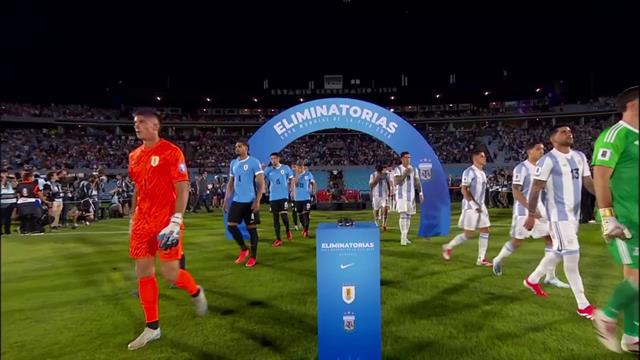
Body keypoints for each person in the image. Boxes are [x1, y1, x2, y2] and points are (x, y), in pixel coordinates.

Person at [126, 110, 207, 351]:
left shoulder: (172, 152)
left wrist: (176, 219)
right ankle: (153, 328)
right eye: (135, 123)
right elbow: (138, 189)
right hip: (142, 221)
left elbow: (183, 188)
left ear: (155, 126)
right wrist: (133, 216)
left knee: (171, 273)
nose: (137, 126)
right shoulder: (134, 156)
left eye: (141, 122)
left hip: (166, 222)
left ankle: (195, 291)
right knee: (143, 272)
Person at [523, 124, 596, 319]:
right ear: (553, 138)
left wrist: (607, 199)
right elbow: (536, 188)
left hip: (574, 216)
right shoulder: (548, 160)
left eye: (570, 131)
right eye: (563, 131)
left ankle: (532, 279)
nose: (569, 133)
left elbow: (588, 182)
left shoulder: (580, 156)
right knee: (572, 257)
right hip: (558, 217)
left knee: (557, 251)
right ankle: (583, 305)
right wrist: (531, 214)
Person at [591, 86, 639, 353]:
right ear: (633, 104)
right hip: (626, 221)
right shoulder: (615, 135)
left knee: (635, 279)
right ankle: (607, 315)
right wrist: (608, 216)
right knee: (637, 279)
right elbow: (600, 175)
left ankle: (632, 337)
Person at [491, 143, 570, 289]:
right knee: (517, 242)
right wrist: (531, 211)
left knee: (551, 239)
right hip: (524, 211)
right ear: (529, 151)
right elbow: (516, 191)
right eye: (538, 149)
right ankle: (498, 259)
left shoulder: (542, 169)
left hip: (540, 210)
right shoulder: (521, 168)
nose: (541, 152)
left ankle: (550, 277)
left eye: (543, 150)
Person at [442, 150, 492, 265]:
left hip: (481, 206)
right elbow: (464, 189)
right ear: (475, 158)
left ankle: (481, 259)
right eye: (482, 156)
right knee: (469, 234)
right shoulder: (469, 172)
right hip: (471, 207)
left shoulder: (483, 173)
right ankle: (448, 246)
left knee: (485, 230)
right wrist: (474, 205)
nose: (485, 158)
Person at [223, 139, 265, 267]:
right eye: (236, 146)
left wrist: (257, 201)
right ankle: (244, 249)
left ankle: (253, 257)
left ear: (246, 148)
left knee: (252, 229)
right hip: (237, 200)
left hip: (250, 201)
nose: (237, 148)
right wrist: (226, 200)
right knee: (231, 226)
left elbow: (261, 183)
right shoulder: (233, 163)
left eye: (239, 146)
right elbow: (231, 183)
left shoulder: (254, 162)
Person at [264, 152, 295, 247]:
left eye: (274, 158)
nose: (273, 160)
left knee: (284, 216)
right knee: (275, 218)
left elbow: (292, 179)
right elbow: (261, 179)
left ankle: (288, 230)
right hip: (273, 197)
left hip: (283, 196)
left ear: (278, 159)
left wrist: (292, 191)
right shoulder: (268, 170)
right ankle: (278, 239)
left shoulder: (286, 168)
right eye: (271, 159)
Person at [393, 152, 424, 246]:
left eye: (409, 157)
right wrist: (406, 173)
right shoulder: (398, 169)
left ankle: (405, 237)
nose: (408, 159)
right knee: (403, 214)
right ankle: (403, 238)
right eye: (406, 157)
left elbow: (417, 182)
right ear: (401, 159)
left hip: (411, 196)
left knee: (409, 216)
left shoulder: (414, 169)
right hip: (401, 195)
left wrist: (421, 193)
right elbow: (397, 181)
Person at [15, 171, 45, 235]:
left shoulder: (19, 185)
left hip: (21, 202)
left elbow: (18, 195)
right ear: (30, 177)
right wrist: (44, 201)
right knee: (36, 216)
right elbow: (39, 194)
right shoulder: (34, 185)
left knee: (25, 217)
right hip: (33, 202)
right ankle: (36, 230)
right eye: (33, 176)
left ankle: (25, 230)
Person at [293, 160, 316, 238]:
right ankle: (304, 228)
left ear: (303, 166)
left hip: (306, 198)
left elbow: (313, 183)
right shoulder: (294, 174)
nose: (300, 167)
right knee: (300, 215)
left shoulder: (309, 174)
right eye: (298, 166)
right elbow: (295, 184)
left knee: (306, 214)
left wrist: (313, 192)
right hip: (298, 199)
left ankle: (306, 230)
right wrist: (298, 175)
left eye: (301, 166)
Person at [370, 164, 391, 230]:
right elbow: (371, 185)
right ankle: (376, 222)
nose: (380, 171)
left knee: (385, 209)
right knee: (376, 209)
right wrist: (377, 178)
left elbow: (388, 183)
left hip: (384, 195)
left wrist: (389, 192)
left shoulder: (386, 175)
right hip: (376, 195)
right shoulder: (372, 175)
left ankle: (384, 224)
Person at [1, 170, 18, 235]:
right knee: (2, 218)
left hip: (11, 203)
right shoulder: (1, 182)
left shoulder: (10, 183)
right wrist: (4, 179)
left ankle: (7, 231)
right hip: (2, 203)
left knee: (8, 218)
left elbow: (16, 187)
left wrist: (14, 179)